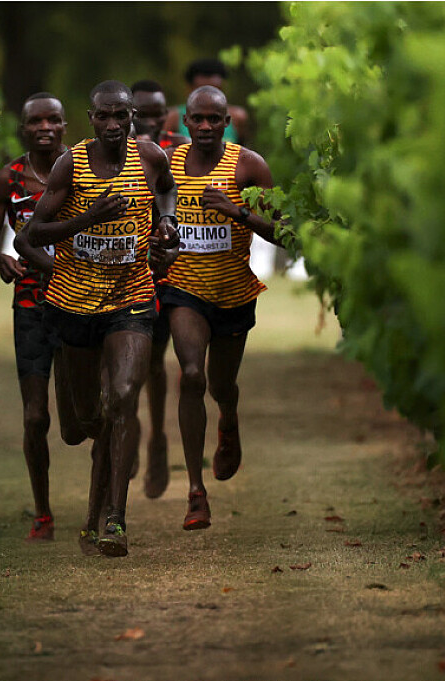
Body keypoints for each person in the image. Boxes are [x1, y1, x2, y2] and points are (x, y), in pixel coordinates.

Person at [17, 80, 178, 557]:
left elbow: (166, 191)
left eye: (121, 116)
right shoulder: (72, 164)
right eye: (103, 116)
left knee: (124, 396)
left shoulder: (150, 157)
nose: (112, 124)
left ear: (132, 117)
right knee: (82, 423)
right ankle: (95, 507)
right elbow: (32, 234)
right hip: (74, 305)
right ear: (91, 119)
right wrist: (86, 220)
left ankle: (115, 520)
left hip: (131, 298)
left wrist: (166, 222)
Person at [160, 85, 279, 531]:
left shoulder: (248, 166)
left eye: (215, 119)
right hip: (184, 291)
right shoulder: (167, 164)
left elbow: (284, 232)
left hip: (233, 295)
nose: (207, 126)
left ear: (227, 122)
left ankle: (228, 421)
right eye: (199, 119)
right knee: (192, 375)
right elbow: (151, 218)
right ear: (185, 121)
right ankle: (196, 491)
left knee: (221, 385)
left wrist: (237, 211)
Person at [0, 92, 70, 542]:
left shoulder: (84, 169)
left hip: (80, 300)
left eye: (53, 120)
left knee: (81, 419)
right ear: (23, 129)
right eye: (36, 122)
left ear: (65, 126)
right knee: (35, 417)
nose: (45, 128)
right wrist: (0, 261)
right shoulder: (8, 179)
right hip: (32, 304)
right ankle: (43, 512)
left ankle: (104, 508)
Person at [128, 79, 187, 499]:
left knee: (153, 362)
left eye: (158, 113)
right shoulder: (117, 150)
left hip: (168, 271)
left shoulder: (180, 149)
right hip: (125, 270)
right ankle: (128, 429)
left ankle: (158, 439)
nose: (151, 121)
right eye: (143, 113)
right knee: (126, 363)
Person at [163, 58, 250, 148]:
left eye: (215, 119)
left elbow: (243, 149)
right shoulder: (173, 118)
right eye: (197, 119)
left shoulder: (237, 117)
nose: (206, 126)